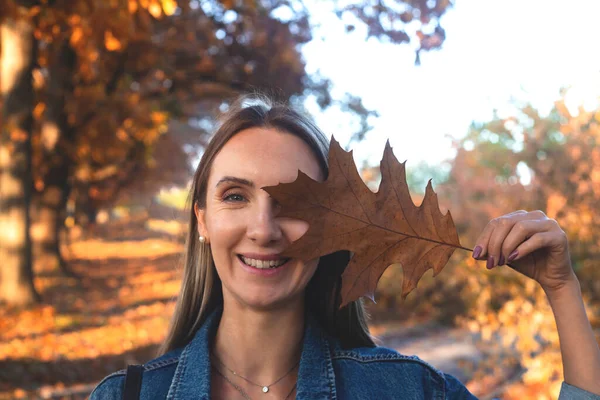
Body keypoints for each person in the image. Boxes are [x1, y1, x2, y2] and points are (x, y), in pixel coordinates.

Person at [89, 95, 600, 399]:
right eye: (235, 196)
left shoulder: (405, 392)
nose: (263, 229)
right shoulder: (123, 397)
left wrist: (562, 289)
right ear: (202, 219)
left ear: (336, 231)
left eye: (292, 203)